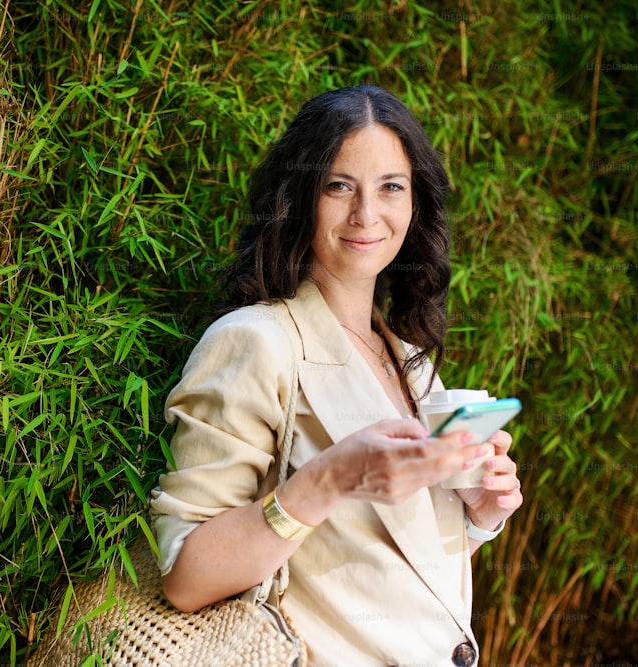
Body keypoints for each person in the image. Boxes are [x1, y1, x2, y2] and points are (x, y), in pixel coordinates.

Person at [149, 85, 524, 666]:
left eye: (390, 188)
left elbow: (392, 575)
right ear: (299, 197)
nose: (366, 214)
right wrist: (330, 478)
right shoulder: (256, 342)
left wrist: (476, 517)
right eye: (339, 185)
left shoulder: (408, 359)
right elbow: (186, 575)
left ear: (415, 203)